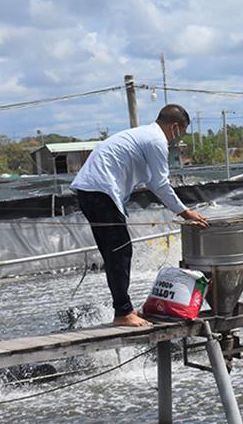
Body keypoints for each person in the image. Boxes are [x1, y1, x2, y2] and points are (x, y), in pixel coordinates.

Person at [71, 104, 209, 327]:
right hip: (100, 191)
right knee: (120, 251)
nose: (177, 139)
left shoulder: (143, 135)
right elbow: (159, 184)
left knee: (115, 251)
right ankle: (122, 313)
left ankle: (125, 308)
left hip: (92, 191)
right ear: (174, 126)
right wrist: (185, 213)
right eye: (180, 133)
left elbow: (151, 181)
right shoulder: (156, 140)